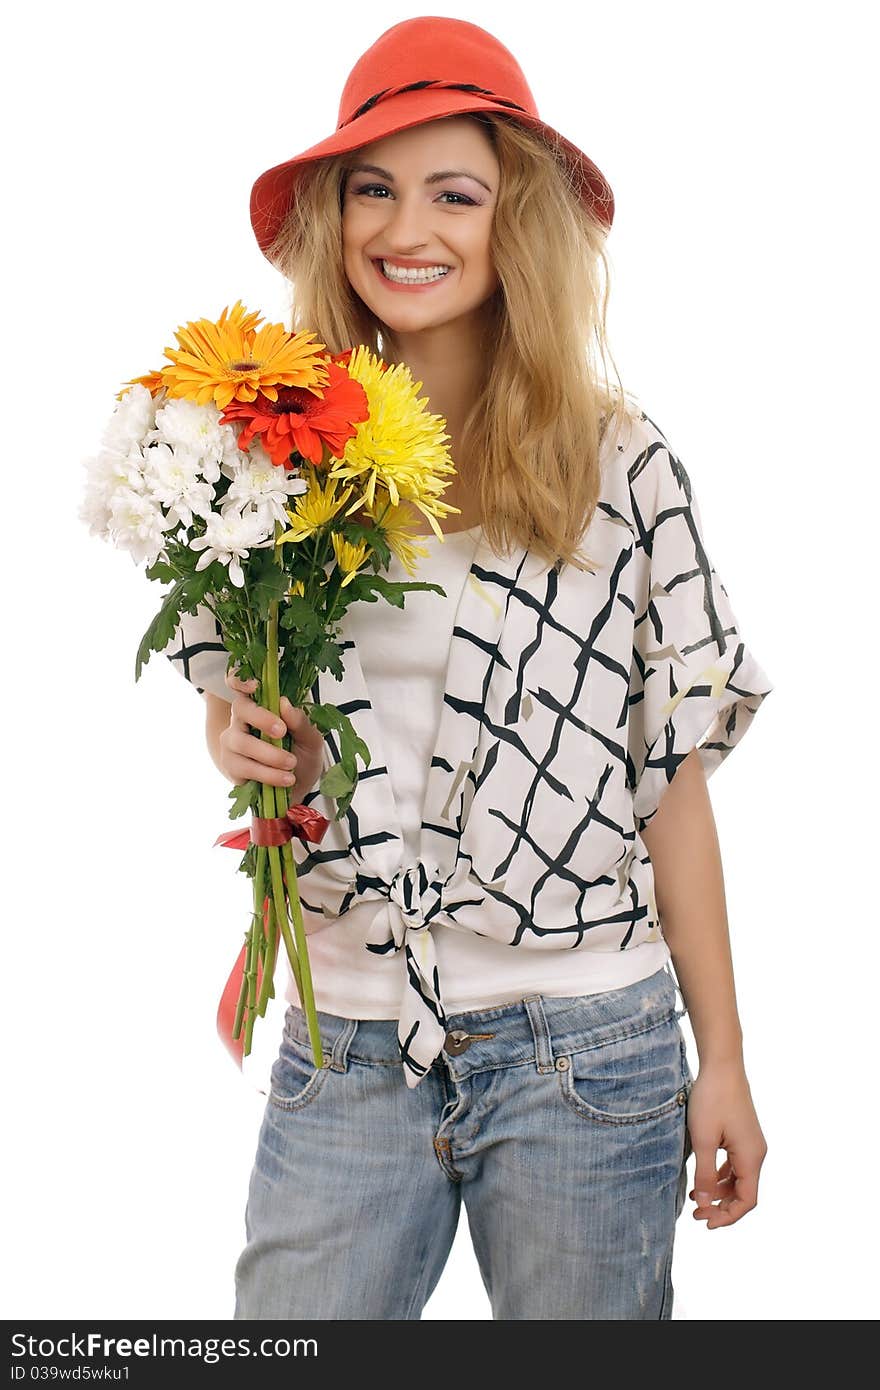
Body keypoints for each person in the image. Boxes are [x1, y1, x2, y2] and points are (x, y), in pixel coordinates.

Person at [167, 17, 774, 1319]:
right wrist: (238, 732)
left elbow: (669, 787)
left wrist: (723, 1057)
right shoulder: (270, 458)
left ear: (520, 224)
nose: (408, 227)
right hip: (348, 1035)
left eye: (457, 191)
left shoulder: (618, 466)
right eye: (372, 189)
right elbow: (257, 702)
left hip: (583, 1051)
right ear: (333, 220)